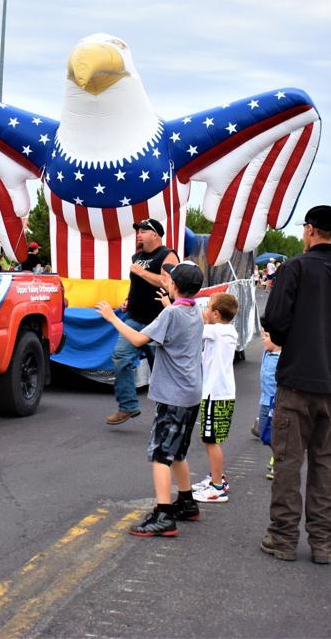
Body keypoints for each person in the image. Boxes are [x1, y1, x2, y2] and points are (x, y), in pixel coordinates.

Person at [260, 205, 331, 564]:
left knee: (288, 463)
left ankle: (282, 539)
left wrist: (293, 337)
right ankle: (323, 544)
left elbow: (275, 319)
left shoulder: (294, 267)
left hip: (295, 380)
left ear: (310, 230)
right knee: (327, 465)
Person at [96, 262, 205, 538]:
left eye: (169, 278)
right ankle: (186, 501)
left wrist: (112, 317)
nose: (166, 280)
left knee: (160, 455)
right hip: (191, 392)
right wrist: (169, 303)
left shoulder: (170, 315)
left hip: (173, 394)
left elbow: (137, 339)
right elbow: (175, 315)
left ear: (175, 286)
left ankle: (164, 514)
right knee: (177, 450)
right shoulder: (195, 311)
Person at [104, 218, 179, 426]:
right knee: (120, 357)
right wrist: (129, 298)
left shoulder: (167, 254)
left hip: (158, 322)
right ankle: (127, 406)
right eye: (137, 230)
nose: (138, 234)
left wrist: (141, 272)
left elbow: (168, 282)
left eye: (143, 230)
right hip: (135, 319)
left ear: (155, 234)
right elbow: (136, 283)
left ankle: (169, 413)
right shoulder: (136, 256)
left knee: (162, 370)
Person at [192, 292, 239, 504]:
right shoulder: (225, 330)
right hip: (220, 393)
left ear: (216, 314)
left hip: (216, 394)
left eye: (208, 307)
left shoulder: (218, 331)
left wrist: (170, 303)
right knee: (210, 438)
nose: (205, 311)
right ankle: (216, 478)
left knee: (211, 440)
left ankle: (217, 487)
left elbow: (193, 326)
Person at [253, 330, 281, 481]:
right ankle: (278, 455)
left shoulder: (282, 358)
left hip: (274, 402)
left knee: (272, 433)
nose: (263, 339)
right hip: (264, 399)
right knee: (263, 434)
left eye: (267, 337)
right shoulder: (267, 353)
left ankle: (279, 461)